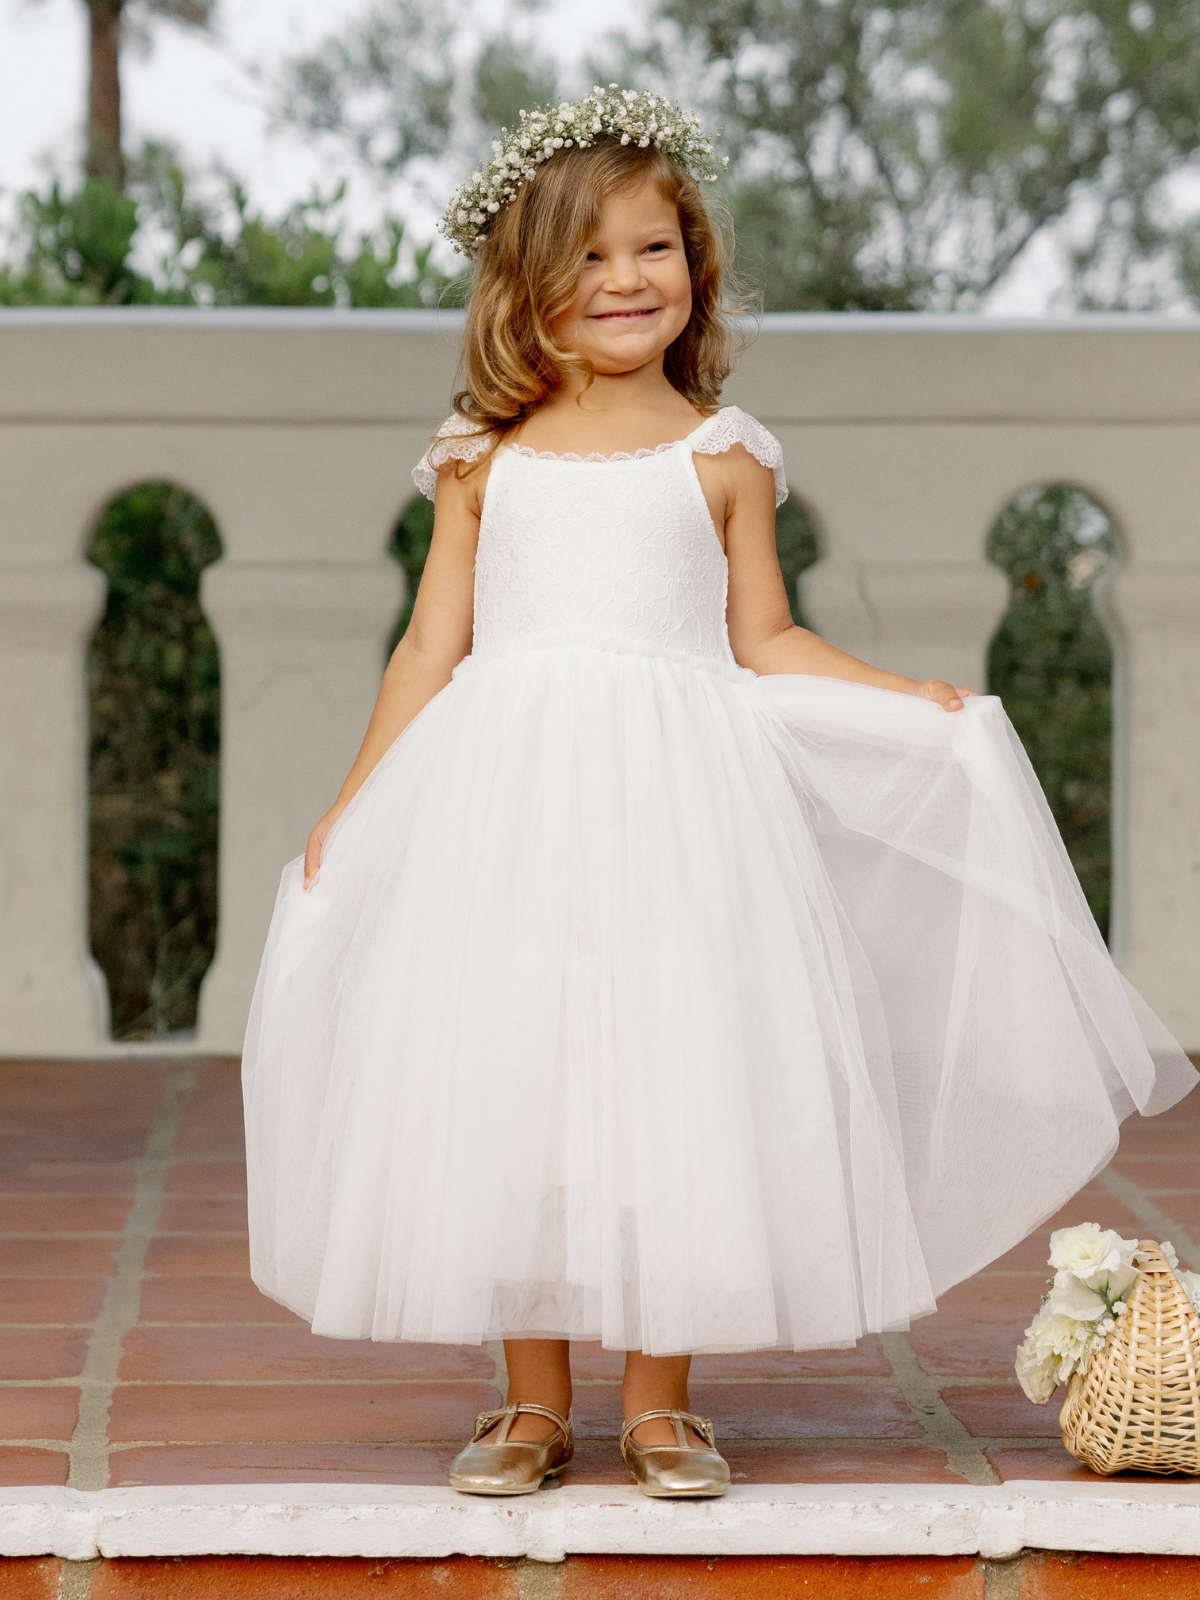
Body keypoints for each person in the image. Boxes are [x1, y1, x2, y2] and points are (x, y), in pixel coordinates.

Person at [241, 87, 1196, 1501]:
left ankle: (663, 1401)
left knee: (673, 1070)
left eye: (654, 250)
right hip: (506, 805)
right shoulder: (478, 459)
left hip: (680, 809)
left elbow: (766, 640)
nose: (627, 282)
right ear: (524, 287)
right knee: (525, 1071)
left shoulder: (724, 455)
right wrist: (355, 801)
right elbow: (432, 642)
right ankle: (531, 1401)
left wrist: (900, 698)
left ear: (695, 267)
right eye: (589, 257)